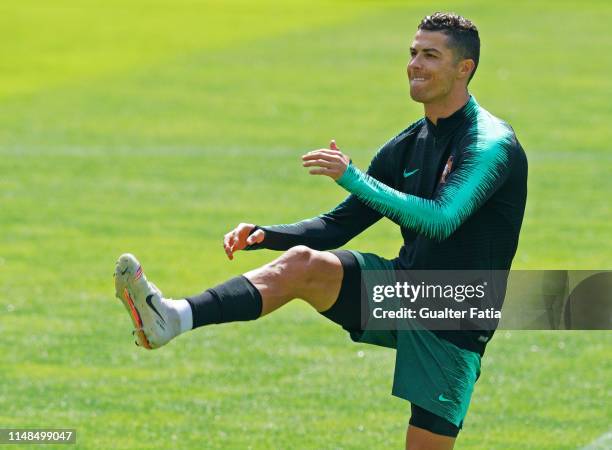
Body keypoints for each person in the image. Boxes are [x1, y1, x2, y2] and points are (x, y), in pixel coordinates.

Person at [114, 12, 527, 450]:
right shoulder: (411, 141)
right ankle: (172, 317)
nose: (415, 64)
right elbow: (339, 225)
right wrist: (268, 234)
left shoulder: (490, 143)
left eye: (430, 55)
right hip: (404, 287)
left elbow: (441, 220)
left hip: (455, 309)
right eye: (412, 53)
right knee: (302, 266)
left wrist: (353, 177)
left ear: (464, 69)